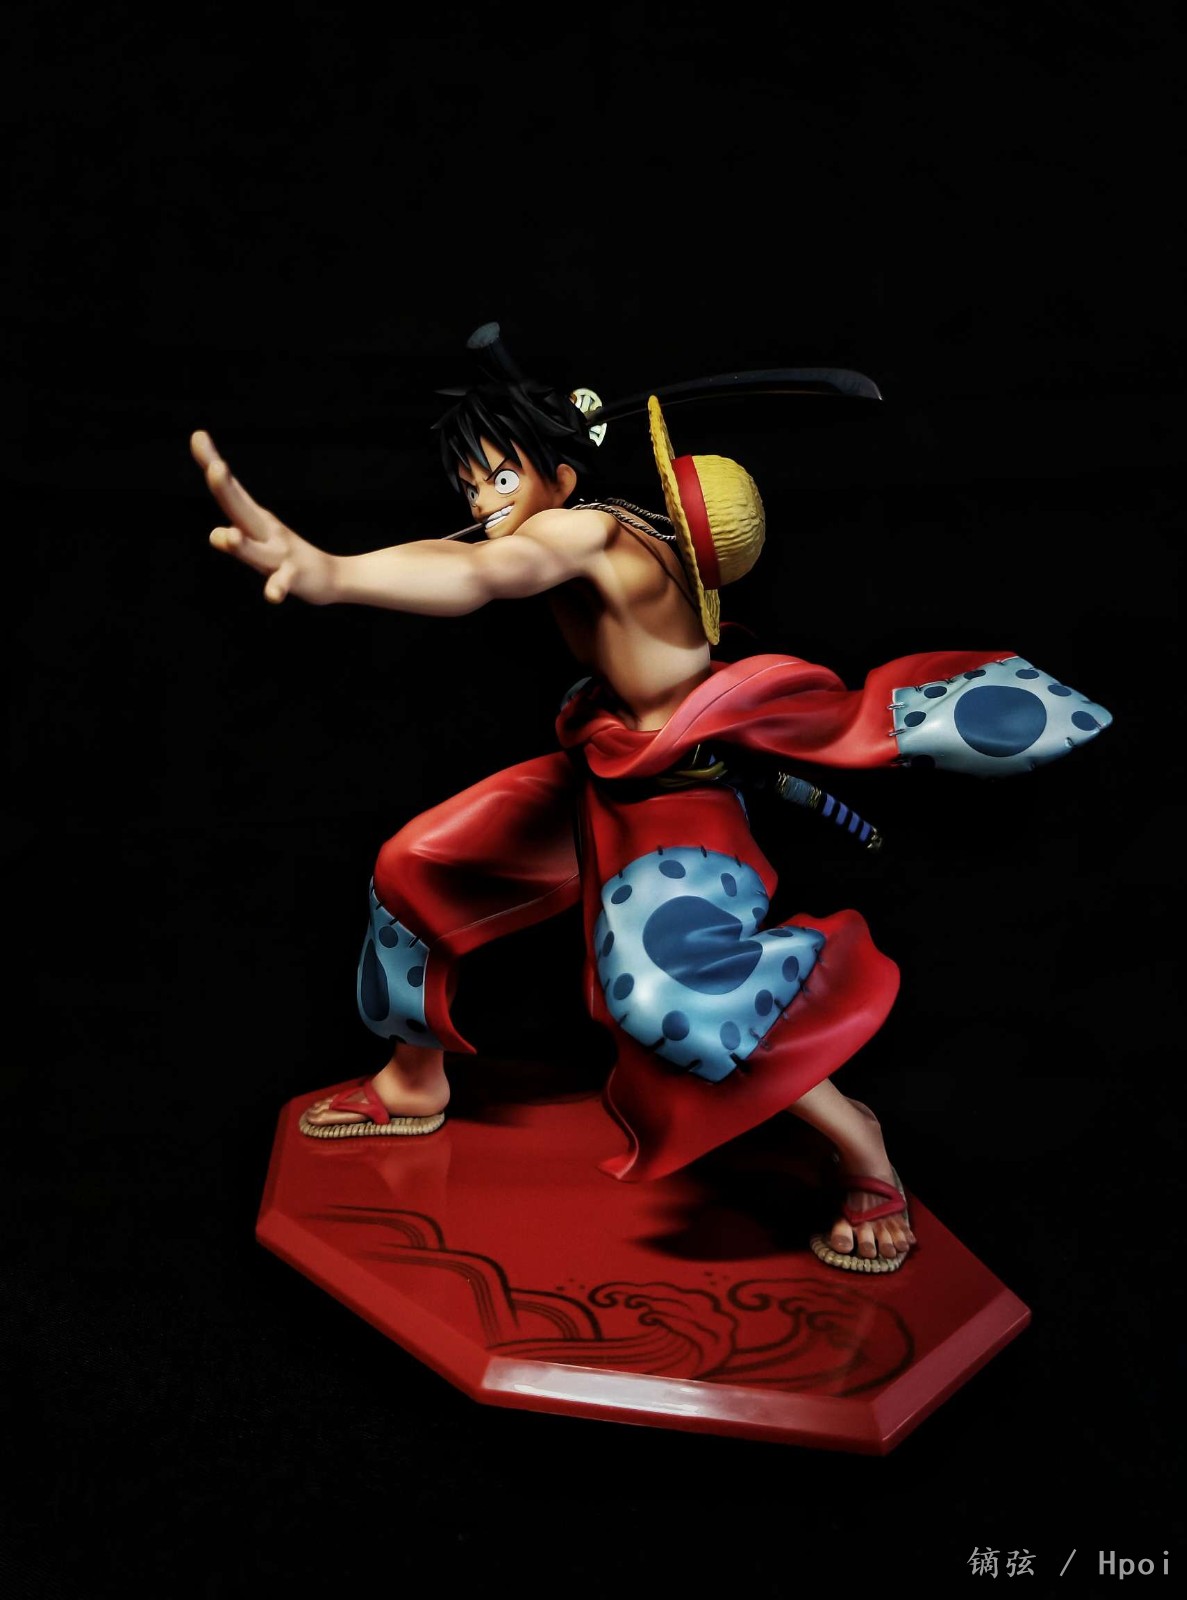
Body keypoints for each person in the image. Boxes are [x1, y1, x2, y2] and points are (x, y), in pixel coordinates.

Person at [193, 336, 1112, 1274]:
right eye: (469, 486)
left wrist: (330, 572)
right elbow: (471, 555)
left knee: (670, 994)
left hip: (678, 804)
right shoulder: (573, 528)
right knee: (412, 870)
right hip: (601, 775)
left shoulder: (590, 534)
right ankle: (413, 1079)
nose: (481, 505)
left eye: (500, 477)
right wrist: (349, 564)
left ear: (561, 475)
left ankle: (862, 1144)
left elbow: (476, 575)